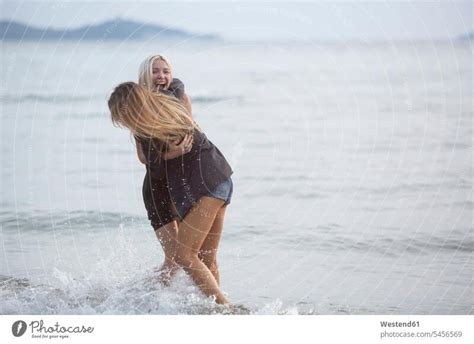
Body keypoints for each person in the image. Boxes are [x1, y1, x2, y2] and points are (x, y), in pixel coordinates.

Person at [108, 82, 233, 305]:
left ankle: (227, 310)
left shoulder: (148, 127)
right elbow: (176, 85)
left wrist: (166, 156)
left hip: (206, 187)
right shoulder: (167, 105)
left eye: (122, 116)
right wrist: (171, 154)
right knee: (205, 258)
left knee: (184, 257)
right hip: (221, 177)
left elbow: (153, 169)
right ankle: (214, 312)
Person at [136, 55, 195, 285]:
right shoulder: (138, 108)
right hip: (157, 186)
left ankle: (161, 299)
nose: (161, 76)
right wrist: (172, 153)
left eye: (166, 71)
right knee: (174, 258)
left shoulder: (181, 97)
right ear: (145, 76)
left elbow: (191, 134)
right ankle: (143, 296)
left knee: (189, 255)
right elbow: (143, 157)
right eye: (155, 71)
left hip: (182, 183)